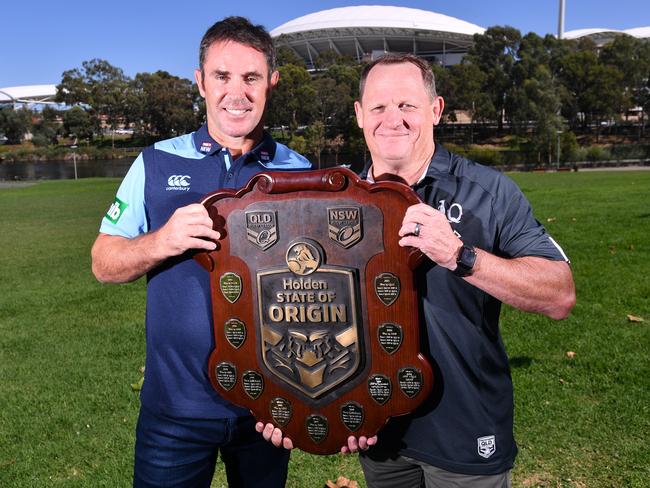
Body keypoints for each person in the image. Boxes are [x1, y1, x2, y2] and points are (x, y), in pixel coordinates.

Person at [259, 53, 576, 487]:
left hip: (465, 428)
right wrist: (310, 404)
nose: (393, 119)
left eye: (407, 105)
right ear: (358, 115)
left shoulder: (487, 191)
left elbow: (559, 294)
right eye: (379, 107)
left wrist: (459, 256)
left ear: (436, 109)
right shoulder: (334, 200)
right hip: (378, 428)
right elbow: (309, 310)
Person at [91, 16, 311, 488]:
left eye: (251, 78)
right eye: (223, 76)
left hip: (268, 407)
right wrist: (163, 240)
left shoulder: (299, 169)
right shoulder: (155, 162)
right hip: (175, 410)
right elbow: (103, 263)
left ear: (271, 82)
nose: (238, 92)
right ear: (201, 82)